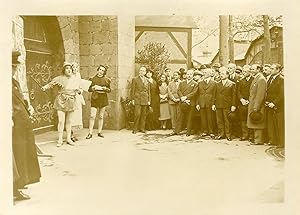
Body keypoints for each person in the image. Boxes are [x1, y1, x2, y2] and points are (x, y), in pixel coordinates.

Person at [12, 50, 41, 201]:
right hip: (14, 125)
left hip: (23, 124)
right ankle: (14, 188)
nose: (15, 70)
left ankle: (22, 181)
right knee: (16, 155)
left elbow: (21, 99)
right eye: (13, 66)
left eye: (15, 67)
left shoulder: (14, 82)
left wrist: (28, 106)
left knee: (22, 154)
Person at [42, 62, 84, 147]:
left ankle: (68, 139)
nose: (69, 70)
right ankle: (60, 139)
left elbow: (81, 90)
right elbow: (51, 84)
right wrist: (45, 87)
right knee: (61, 121)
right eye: (66, 68)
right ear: (64, 70)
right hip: (61, 100)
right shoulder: (59, 78)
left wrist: (79, 91)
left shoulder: (75, 79)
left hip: (71, 100)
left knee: (69, 121)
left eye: (70, 69)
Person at [86, 65, 111, 139]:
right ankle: (90, 133)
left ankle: (99, 132)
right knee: (92, 116)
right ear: (97, 70)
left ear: (104, 72)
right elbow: (88, 89)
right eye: (100, 69)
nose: (101, 71)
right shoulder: (92, 79)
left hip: (103, 98)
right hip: (95, 98)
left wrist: (105, 88)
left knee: (100, 116)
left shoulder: (107, 80)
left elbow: (109, 90)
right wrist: (92, 88)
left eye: (103, 70)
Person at [171, 69, 198, 136]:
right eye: (188, 74)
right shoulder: (182, 83)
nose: (189, 76)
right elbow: (179, 90)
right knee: (179, 116)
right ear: (186, 75)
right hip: (182, 102)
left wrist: (186, 97)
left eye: (190, 74)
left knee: (189, 118)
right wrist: (182, 98)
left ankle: (188, 132)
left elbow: (194, 93)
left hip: (190, 102)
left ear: (193, 75)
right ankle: (176, 130)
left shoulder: (195, 84)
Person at [212, 66, 237, 141]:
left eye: (223, 74)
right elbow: (214, 95)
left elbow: (234, 96)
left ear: (227, 75)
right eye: (220, 73)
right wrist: (213, 104)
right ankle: (221, 134)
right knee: (219, 120)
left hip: (227, 105)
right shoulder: (217, 84)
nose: (221, 75)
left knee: (227, 121)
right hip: (218, 104)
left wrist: (233, 105)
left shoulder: (232, 84)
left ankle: (228, 134)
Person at [247, 64, 267, 145]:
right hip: (253, 103)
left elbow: (260, 95)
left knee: (258, 122)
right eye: (251, 69)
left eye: (253, 69)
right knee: (255, 122)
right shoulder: (257, 78)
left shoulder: (261, 79)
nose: (251, 70)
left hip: (257, 105)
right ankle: (256, 139)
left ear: (258, 69)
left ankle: (258, 140)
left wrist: (256, 107)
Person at [265, 64, 284, 147]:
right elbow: (268, 92)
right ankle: (273, 141)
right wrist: (267, 101)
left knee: (279, 125)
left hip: (278, 106)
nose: (271, 70)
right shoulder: (270, 79)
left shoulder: (281, 79)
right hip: (269, 105)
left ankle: (281, 142)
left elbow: (281, 94)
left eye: (272, 69)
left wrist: (274, 103)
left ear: (278, 70)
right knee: (271, 124)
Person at [196, 68, 217, 138]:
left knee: (210, 117)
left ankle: (211, 131)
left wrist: (214, 104)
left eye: (206, 73)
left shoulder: (214, 83)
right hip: (202, 102)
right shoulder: (200, 83)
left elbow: (215, 94)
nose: (204, 74)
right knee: (203, 118)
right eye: (204, 72)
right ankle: (205, 131)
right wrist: (197, 103)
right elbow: (197, 94)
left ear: (210, 74)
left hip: (210, 102)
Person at [131, 66, 151, 134]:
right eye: (140, 71)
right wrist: (132, 99)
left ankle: (142, 128)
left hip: (145, 99)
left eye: (143, 71)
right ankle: (135, 128)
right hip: (137, 99)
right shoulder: (135, 79)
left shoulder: (147, 80)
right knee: (137, 114)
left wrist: (149, 100)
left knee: (143, 115)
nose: (141, 72)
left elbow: (148, 91)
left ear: (145, 72)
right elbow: (132, 90)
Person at [237, 65, 254, 141]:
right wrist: (241, 99)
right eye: (243, 71)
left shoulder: (254, 80)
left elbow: (254, 92)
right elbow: (238, 91)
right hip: (242, 103)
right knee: (243, 119)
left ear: (250, 72)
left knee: (250, 119)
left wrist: (249, 100)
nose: (244, 73)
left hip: (250, 102)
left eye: (245, 71)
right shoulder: (241, 80)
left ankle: (251, 136)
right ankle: (244, 135)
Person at [70, 62, 85, 142]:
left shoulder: (78, 76)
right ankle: (70, 134)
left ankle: (73, 134)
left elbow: (81, 86)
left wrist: (80, 91)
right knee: (71, 116)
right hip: (71, 98)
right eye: (73, 68)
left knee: (76, 116)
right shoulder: (69, 77)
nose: (75, 69)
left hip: (77, 98)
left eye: (76, 67)